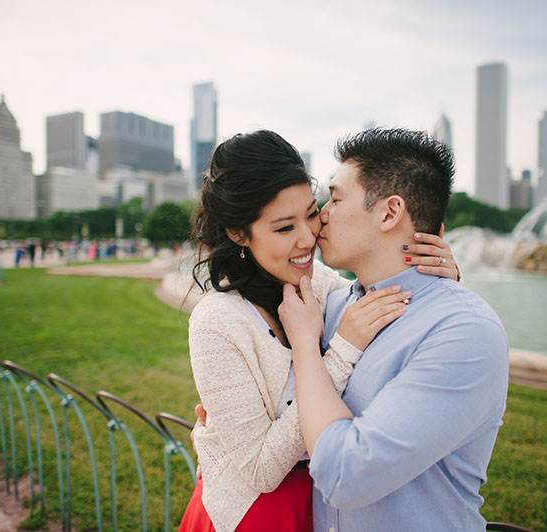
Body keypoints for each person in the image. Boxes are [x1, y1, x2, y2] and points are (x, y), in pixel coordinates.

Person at [180, 130, 461, 532]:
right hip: (257, 516)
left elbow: (396, 314)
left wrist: (438, 278)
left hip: (330, 506)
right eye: (283, 228)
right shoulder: (217, 322)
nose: (307, 237)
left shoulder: (323, 285)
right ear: (238, 233)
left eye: (311, 214)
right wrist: (342, 350)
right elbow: (261, 470)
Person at [278, 128, 509, 532]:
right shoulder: (329, 307)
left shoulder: (463, 332)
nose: (321, 214)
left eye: (335, 198)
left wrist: (305, 348)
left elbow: (345, 474)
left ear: (389, 212)